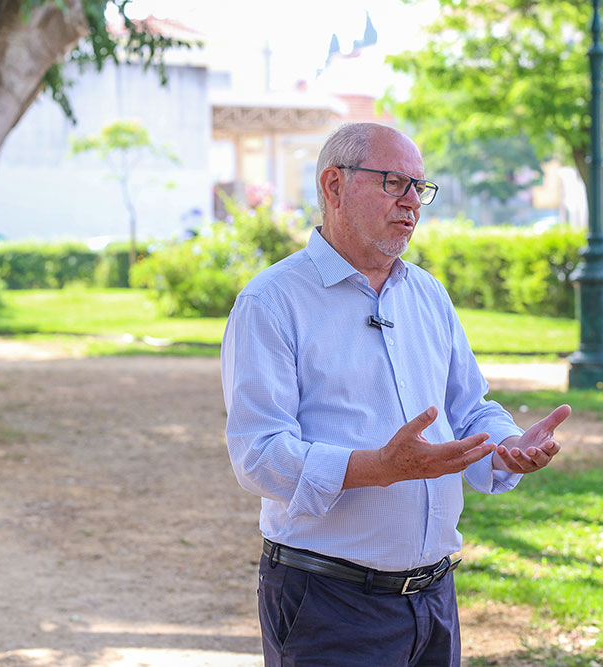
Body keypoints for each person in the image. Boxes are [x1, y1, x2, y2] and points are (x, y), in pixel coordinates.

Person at [220, 122, 571, 666]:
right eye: (393, 183)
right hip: (328, 603)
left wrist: (507, 445)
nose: (412, 203)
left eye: (419, 188)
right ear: (333, 186)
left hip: (434, 599)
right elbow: (258, 455)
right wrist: (377, 466)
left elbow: (470, 407)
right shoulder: (271, 302)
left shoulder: (427, 294)